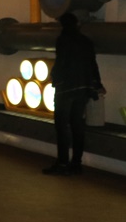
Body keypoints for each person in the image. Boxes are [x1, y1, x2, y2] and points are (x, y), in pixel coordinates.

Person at [44, 12, 104, 176]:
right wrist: (97, 84)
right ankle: (76, 163)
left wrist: (54, 78)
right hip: (83, 89)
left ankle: (62, 162)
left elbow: (61, 63)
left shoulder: (63, 40)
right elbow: (93, 64)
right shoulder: (86, 41)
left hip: (66, 89)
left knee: (62, 126)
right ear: (77, 24)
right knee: (77, 126)